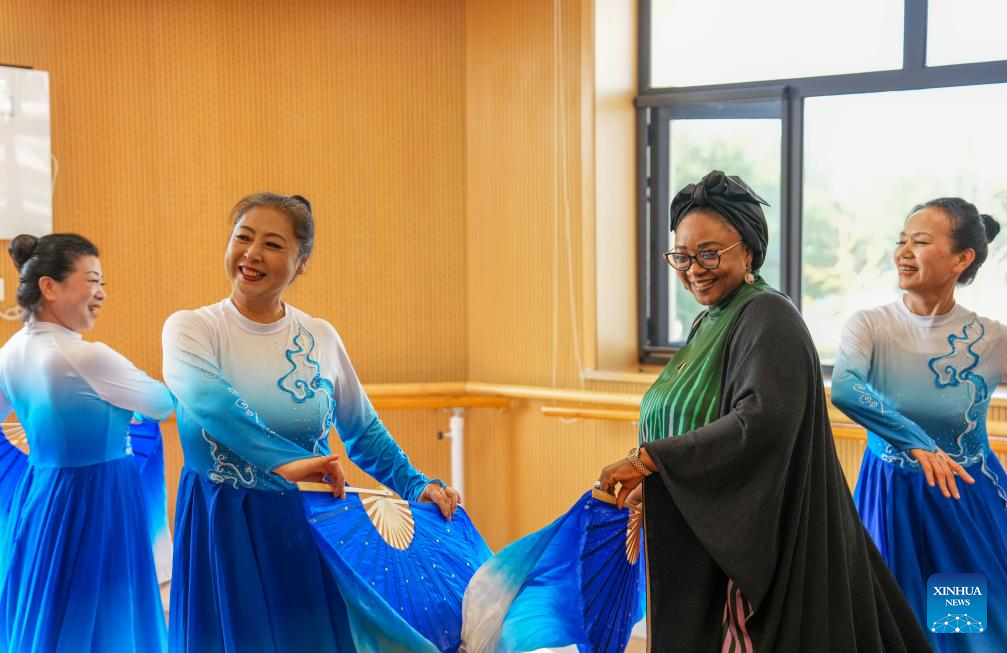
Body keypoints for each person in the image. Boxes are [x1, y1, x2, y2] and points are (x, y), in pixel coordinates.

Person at [595, 171, 931, 651]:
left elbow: (762, 424)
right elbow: (693, 418)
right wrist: (657, 488)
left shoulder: (768, 316)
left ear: (748, 251)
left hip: (748, 557)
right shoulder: (711, 319)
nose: (694, 269)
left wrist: (651, 461)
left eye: (709, 253)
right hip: (702, 541)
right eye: (682, 256)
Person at [163, 193, 460, 652]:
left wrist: (415, 484)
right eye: (243, 238)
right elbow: (210, 402)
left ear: (301, 263)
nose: (252, 254)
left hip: (310, 521)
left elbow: (362, 429)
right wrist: (288, 461)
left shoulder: (320, 336)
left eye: (272, 244)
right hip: (223, 525)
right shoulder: (191, 329)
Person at [832, 197, 1007, 652]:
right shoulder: (870, 325)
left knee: (958, 628)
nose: (904, 252)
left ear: (962, 259)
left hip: (958, 504)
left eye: (921, 242)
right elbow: (846, 388)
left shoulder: (991, 338)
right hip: (888, 498)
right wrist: (917, 443)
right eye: (901, 241)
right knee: (888, 622)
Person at [0, 233, 173, 652]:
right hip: (99, 495)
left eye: (103, 283)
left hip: (41, 492)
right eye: (92, 281)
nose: (101, 294)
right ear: (49, 286)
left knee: (51, 601)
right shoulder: (87, 357)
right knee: (105, 612)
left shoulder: (10, 352)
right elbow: (162, 404)